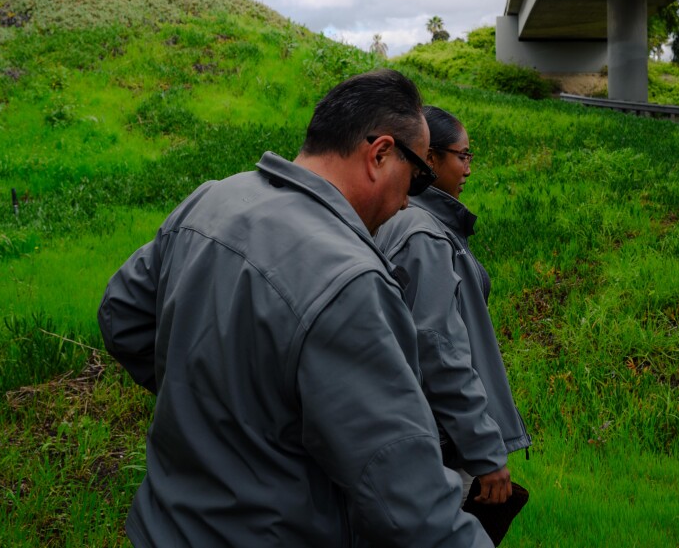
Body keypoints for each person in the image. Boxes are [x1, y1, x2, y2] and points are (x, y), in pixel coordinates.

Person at [97, 70, 491, 547]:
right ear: (381, 153)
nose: (410, 201)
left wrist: (218, 405)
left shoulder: (211, 200)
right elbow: (409, 499)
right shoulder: (352, 281)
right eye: (417, 176)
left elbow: (121, 316)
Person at [375, 106, 532, 509]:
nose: (468, 168)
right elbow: (439, 349)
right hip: (441, 442)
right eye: (463, 156)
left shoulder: (403, 220)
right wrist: (484, 450)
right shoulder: (425, 234)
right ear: (429, 158)